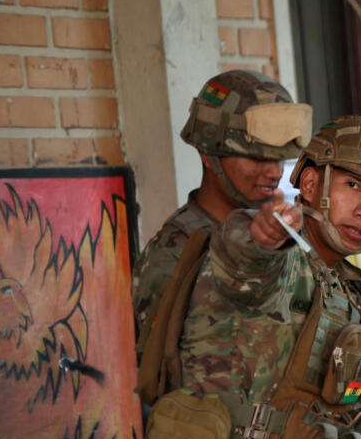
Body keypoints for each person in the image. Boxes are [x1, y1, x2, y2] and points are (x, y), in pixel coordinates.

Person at [160, 116, 361, 439]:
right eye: (353, 185)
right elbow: (243, 256)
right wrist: (263, 236)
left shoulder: (343, 297)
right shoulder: (281, 262)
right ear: (312, 185)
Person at [131, 69, 310, 352]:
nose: (274, 172)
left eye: (279, 158)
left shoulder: (282, 237)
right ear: (209, 154)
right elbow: (167, 373)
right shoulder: (175, 256)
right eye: (256, 157)